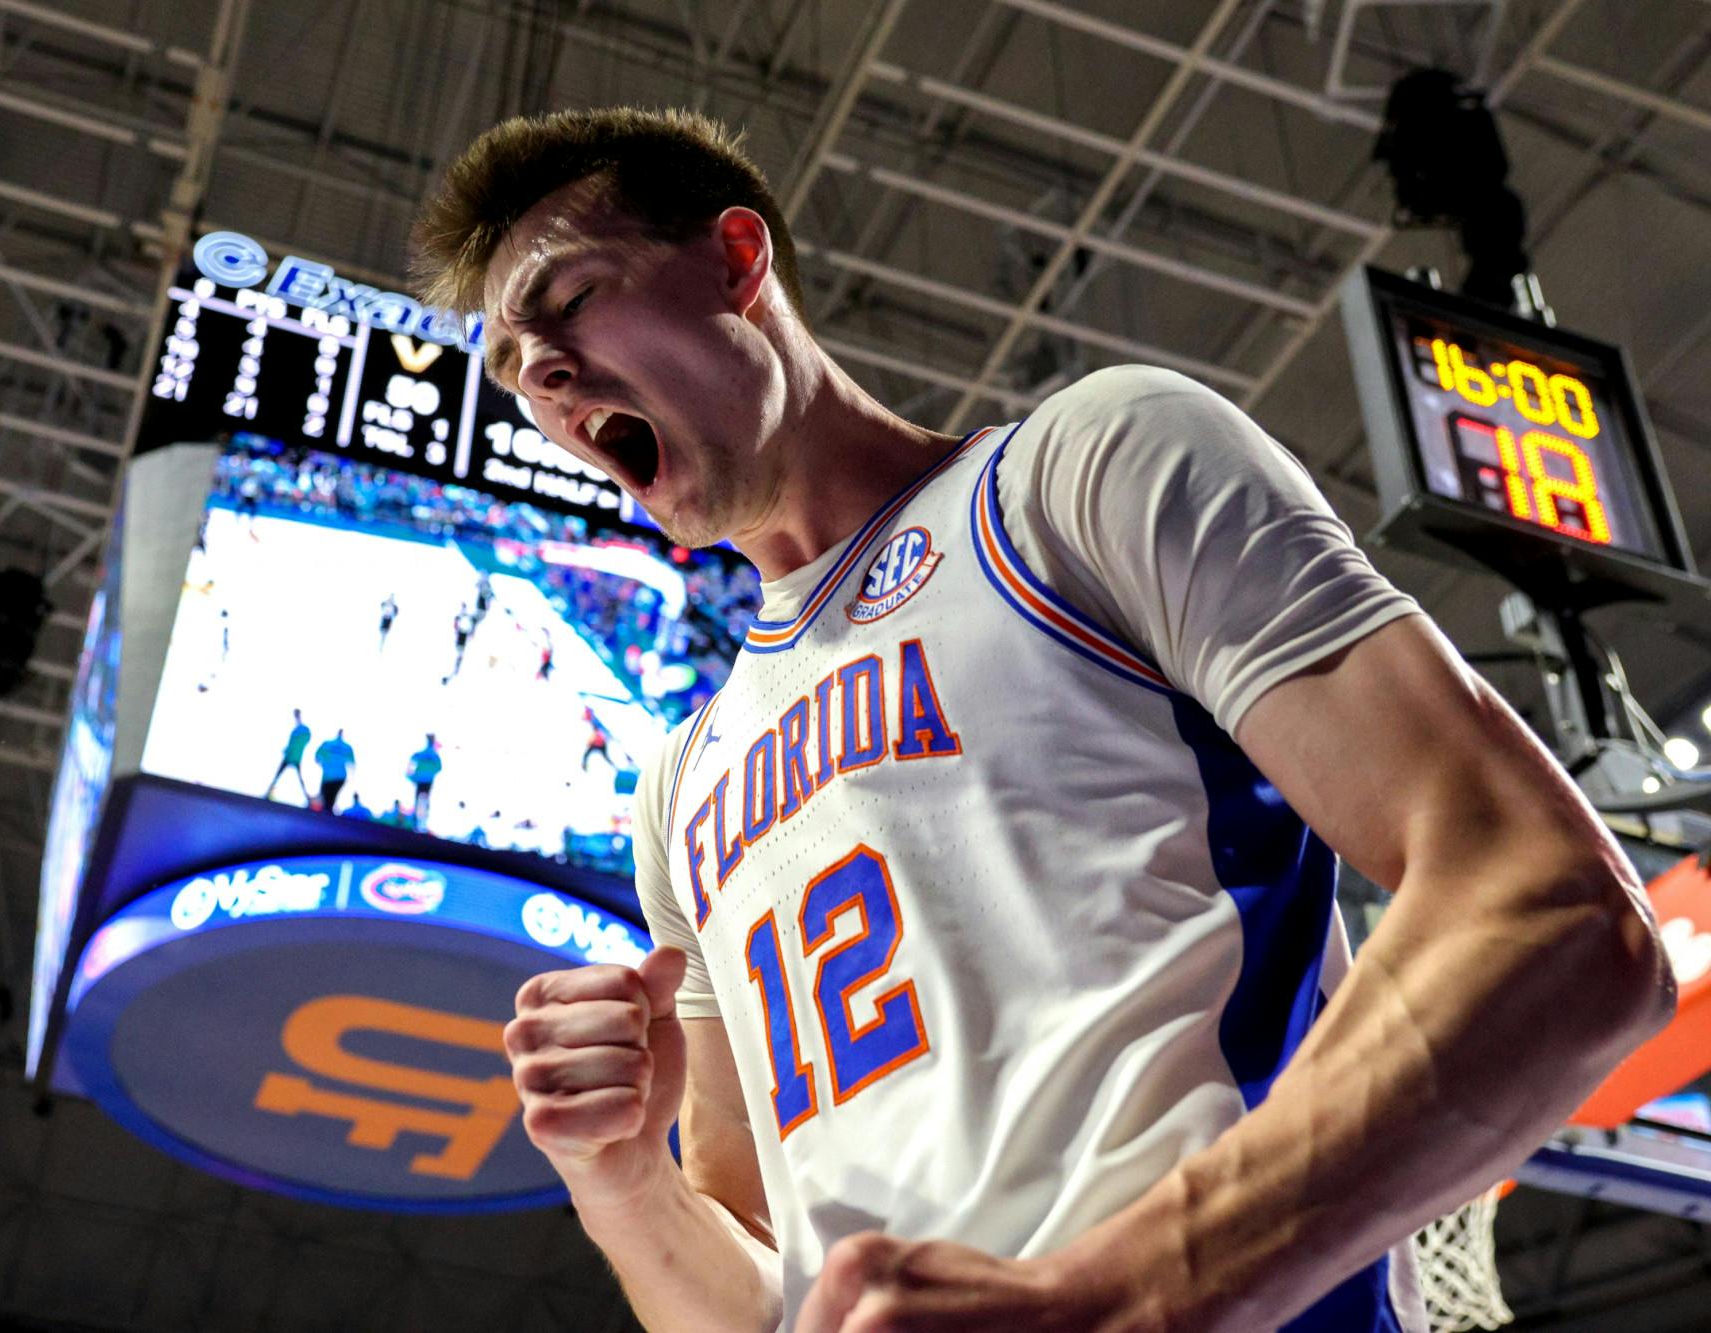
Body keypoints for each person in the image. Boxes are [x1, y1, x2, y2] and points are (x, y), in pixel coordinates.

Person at [412, 108, 1677, 1333]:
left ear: (738, 262)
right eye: (514, 367)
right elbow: (748, 1299)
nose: (543, 370)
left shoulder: (1078, 475)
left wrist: (1115, 1298)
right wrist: (625, 1182)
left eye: (566, 301)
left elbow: (1553, 915)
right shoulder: (680, 783)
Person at [265, 708, 310, 803]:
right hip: (290, 757)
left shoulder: (302, 729)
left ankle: (307, 798)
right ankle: (269, 792)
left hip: (294, 757)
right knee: (279, 775)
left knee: (295, 777)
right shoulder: (298, 729)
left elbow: (302, 742)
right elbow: (292, 744)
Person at [312, 728, 356, 813]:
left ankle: (324, 816)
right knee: (331, 799)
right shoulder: (347, 747)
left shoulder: (328, 744)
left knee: (325, 798)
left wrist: (323, 764)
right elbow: (352, 763)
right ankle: (328, 814)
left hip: (328, 776)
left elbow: (317, 756)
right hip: (340, 776)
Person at [406, 733, 443, 829]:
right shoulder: (430, 754)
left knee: (423, 800)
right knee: (421, 800)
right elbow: (439, 767)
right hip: (424, 780)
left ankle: (421, 823)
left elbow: (439, 767)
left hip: (425, 780)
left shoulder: (432, 754)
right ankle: (417, 823)